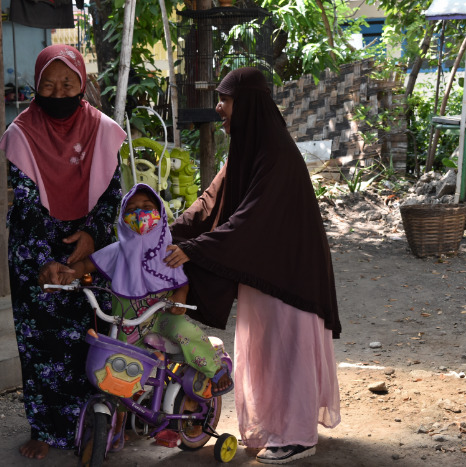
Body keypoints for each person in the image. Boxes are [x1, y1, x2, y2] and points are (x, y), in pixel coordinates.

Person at [164, 67, 342, 464]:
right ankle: (278, 426)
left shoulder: (275, 151)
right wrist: (163, 234)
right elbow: (210, 203)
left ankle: (297, 435)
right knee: (265, 352)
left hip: (288, 275)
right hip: (264, 273)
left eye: (225, 100)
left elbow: (251, 220)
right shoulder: (246, 148)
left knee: (286, 353)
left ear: (247, 105)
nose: (219, 108)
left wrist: (196, 248)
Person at [0, 44, 127, 460]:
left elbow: (111, 194)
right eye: (48, 87)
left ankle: (97, 423)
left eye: (67, 84)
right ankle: (46, 428)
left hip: (88, 250)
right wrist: (44, 261)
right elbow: (25, 202)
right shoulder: (21, 133)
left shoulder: (103, 130)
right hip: (39, 247)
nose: (58, 94)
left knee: (93, 336)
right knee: (41, 343)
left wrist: (91, 236)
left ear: (82, 84)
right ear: (36, 87)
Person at [42, 183, 233, 398]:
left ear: (159, 212)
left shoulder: (168, 251)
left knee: (189, 333)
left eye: (146, 206)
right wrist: (70, 272)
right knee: (117, 371)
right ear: (123, 216)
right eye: (131, 209)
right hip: (126, 322)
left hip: (162, 317)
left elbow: (180, 281)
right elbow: (87, 265)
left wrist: (180, 297)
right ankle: (122, 415)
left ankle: (216, 370)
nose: (139, 213)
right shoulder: (118, 251)